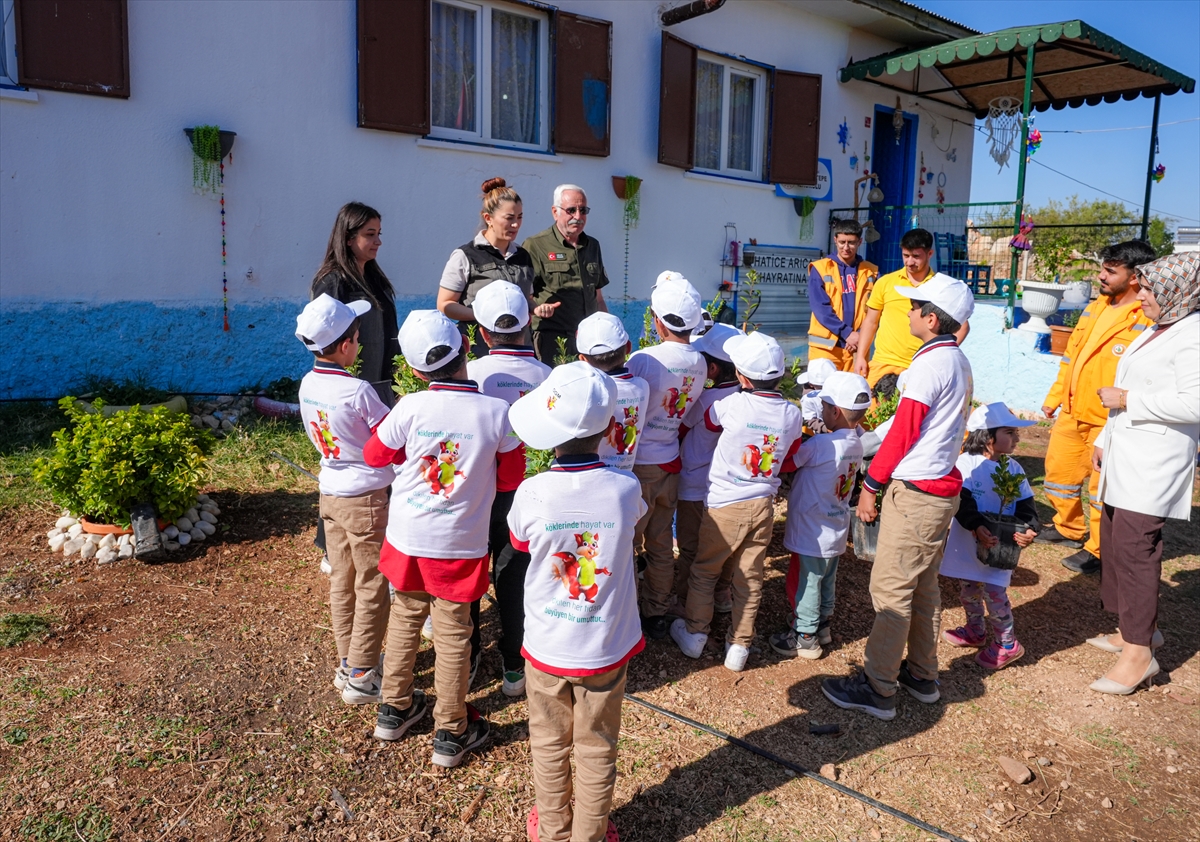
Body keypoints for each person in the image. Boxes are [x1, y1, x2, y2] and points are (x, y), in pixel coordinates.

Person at [363, 310, 524, 768]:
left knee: (405, 616)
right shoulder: (497, 413)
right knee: (454, 634)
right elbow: (511, 477)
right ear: (467, 348)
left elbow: (375, 455)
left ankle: (394, 708)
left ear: (415, 372)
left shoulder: (409, 408)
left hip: (407, 538)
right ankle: (451, 729)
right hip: (458, 543)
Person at [822, 274, 974, 720]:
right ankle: (922, 674)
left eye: (914, 307)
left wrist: (871, 486)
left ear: (931, 319)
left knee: (890, 590)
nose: (907, 312)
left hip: (917, 493)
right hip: (939, 488)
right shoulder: (957, 359)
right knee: (923, 586)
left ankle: (877, 685)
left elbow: (904, 430)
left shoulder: (930, 365)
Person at [507, 362, 646, 842]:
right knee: (598, 745)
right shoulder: (626, 489)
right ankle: (591, 834)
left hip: (547, 645)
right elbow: (634, 526)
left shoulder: (532, 492)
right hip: (605, 648)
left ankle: (552, 829)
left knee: (548, 743)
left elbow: (520, 543)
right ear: (609, 431)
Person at [1088, 252, 1199, 695]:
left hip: (1154, 461)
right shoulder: (1160, 327)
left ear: (1178, 292)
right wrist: (1105, 435)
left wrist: (1128, 400)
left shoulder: (1192, 334)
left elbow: (1195, 403)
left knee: (1136, 550)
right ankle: (1133, 630)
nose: (1142, 297)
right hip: (1126, 452)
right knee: (1115, 541)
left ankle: (1139, 655)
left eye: (1151, 290)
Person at [671, 331, 804, 672]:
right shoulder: (792, 414)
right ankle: (739, 646)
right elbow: (791, 451)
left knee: (704, 570)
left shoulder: (730, 405)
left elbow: (707, 422)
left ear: (742, 377)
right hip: (763, 504)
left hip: (725, 505)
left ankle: (695, 633)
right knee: (750, 577)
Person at [295, 294, 394, 704]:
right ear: (345, 345)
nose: (360, 341)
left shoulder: (308, 384)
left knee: (342, 580)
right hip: (366, 498)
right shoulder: (358, 391)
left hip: (330, 493)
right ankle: (362, 673)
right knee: (373, 583)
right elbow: (389, 440)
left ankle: (347, 660)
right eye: (357, 335)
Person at [1038, 241, 1157, 575]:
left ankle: (1099, 549)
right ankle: (1067, 528)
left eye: (1111, 271)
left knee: (1101, 490)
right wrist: (1055, 397)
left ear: (1134, 277)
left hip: (1109, 421)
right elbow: (1071, 356)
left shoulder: (1146, 317)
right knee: (1058, 475)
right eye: (1103, 268)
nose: (1102, 276)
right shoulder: (1096, 307)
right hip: (1072, 411)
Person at [464, 281, 552, 698]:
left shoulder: (472, 374)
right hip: (531, 492)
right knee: (515, 577)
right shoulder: (549, 377)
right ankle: (515, 665)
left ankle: (467, 658)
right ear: (527, 324)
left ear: (482, 333)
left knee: (471, 573)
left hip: (479, 491)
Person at [625, 276, 708, 640]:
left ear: (657, 322)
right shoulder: (700, 362)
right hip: (670, 459)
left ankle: (627, 611)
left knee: (629, 543)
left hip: (640, 464)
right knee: (660, 543)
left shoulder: (644, 359)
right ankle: (656, 611)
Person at [771, 371, 869, 660]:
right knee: (826, 579)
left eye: (824, 406)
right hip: (835, 524)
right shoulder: (857, 443)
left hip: (811, 529)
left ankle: (804, 635)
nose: (822, 411)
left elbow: (789, 463)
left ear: (835, 412)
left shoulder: (820, 445)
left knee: (808, 581)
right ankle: (822, 625)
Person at [940, 403, 1040, 671]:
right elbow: (963, 500)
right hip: (969, 541)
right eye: (1010, 432)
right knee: (969, 590)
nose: (1017, 438)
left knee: (995, 594)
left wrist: (1029, 528)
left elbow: (1026, 506)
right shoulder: (964, 465)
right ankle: (975, 630)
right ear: (987, 437)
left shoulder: (1014, 469)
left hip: (1000, 545)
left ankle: (1007, 644)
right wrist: (975, 526)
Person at [674, 323, 743, 615]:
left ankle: (684, 601)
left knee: (690, 546)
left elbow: (678, 432)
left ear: (712, 369)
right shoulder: (745, 400)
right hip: (727, 489)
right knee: (724, 546)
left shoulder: (705, 399)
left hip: (694, 484)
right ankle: (722, 592)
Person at [437, 178, 543, 357]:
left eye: (520, 217)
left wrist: (536, 308)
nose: (516, 224)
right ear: (488, 218)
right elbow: (444, 304)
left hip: (520, 352)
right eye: (509, 218)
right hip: (480, 351)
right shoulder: (465, 255)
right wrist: (484, 315)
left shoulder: (523, 255)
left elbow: (527, 299)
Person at [854, 230, 970, 387]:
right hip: (883, 363)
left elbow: (963, 327)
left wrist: (940, 355)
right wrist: (861, 356)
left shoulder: (940, 287)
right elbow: (870, 322)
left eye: (916, 256)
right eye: (906, 255)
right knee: (872, 404)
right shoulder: (885, 282)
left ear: (929, 253)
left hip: (920, 367)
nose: (909, 262)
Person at [312, 202, 400, 406]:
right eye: (370, 234)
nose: (378, 241)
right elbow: (325, 340)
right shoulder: (333, 282)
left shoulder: (375, 279)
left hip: (383, 383)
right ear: (348, 238)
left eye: (378, 234)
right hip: (352, 389)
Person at [523, 184, 610, 363]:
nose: (578, 217)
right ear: (555, 212)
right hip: (552, 340)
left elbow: (598, 298)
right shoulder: (536, 245)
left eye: (583, 210)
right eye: (571, 210)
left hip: (589, 340)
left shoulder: (592, 246)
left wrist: (608, 329)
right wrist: (537, 308)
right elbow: (524, 296)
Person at [576, 312, 650, 474]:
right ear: (628, 347)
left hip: (592, 474)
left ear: (582, 359)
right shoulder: (642, 386)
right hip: (627, 474)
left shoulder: (585, 391)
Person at [807, 218, 879, 371]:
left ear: (859, 242)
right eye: (842, 242)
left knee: (856, 386)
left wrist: (859, 336)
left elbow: (876, 309)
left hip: (857, 347)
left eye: (851, 243)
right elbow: (821, 309)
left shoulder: (871, 271)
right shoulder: (820, 268)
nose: (846, 247)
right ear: (835, 240)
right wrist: (847, 333)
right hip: (826, 348)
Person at [797, 357, 837, 434]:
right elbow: (809, 420)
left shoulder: (839, 391)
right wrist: (826, 429)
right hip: (823, 435)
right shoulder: (808, 399)